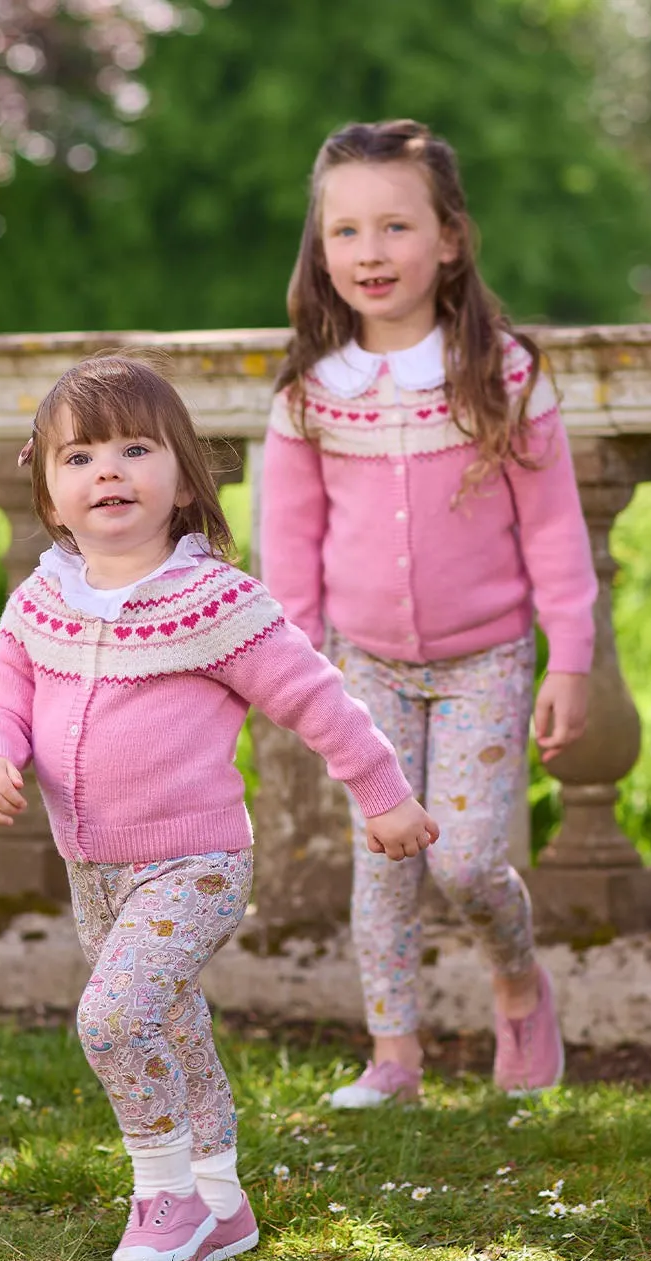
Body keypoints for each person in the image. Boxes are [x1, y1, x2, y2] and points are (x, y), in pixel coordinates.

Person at [0, 352, 438, 1261]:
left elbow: (317, 700)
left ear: (182, 478)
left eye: (136, 449)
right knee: (171, 1025)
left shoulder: (215, 600)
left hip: (195, 864)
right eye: (81, 457)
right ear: (51, 495)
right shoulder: (41, 600)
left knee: (113, 1020)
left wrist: (384, 796)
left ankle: (164, 1191)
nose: (109, 472)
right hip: (91, 868)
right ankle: (223, 1198)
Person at [260, 119, 597, 1110]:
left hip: (484, 661)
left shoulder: (502, 377)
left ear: (447, 238)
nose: (370, 252)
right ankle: (394, 1056)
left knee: (466, 860)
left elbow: (555, 535)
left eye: (395, 227)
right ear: (322, 252)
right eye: (346, 232)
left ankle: (517, 983)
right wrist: (297, 678)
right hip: (359, 667)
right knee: (384, 858)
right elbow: (291, 558)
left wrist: (569, 659)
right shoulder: (311, 398)